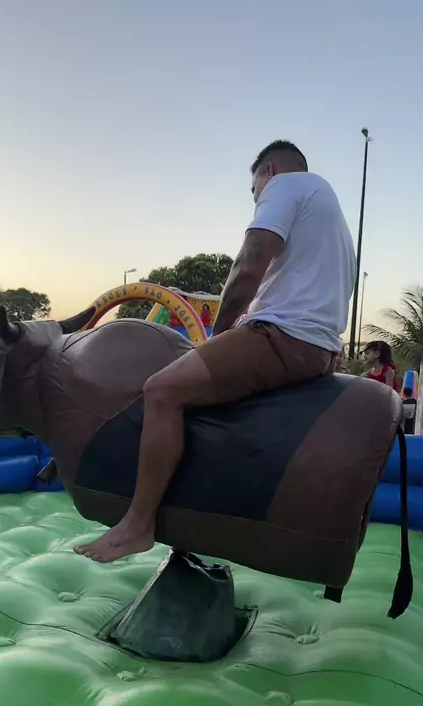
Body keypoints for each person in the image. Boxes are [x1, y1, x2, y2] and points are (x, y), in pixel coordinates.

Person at [76, 139, 356, 563]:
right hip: (320, 346)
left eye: (254, 191)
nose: (257, 199)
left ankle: (138, 524)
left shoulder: (285, 185)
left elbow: (249, 263)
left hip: (283, 336)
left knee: (161, 391)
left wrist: (218, 335)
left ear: (268, 172)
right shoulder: (330, 213)